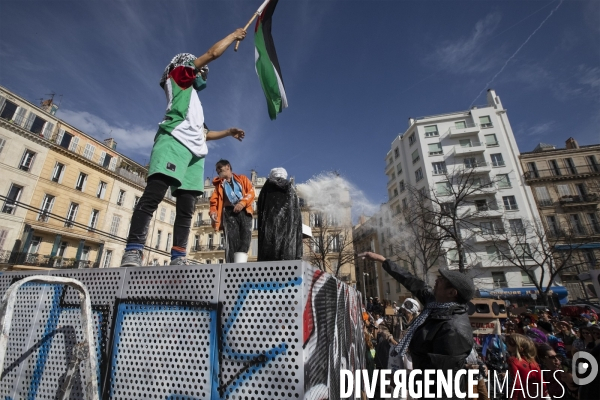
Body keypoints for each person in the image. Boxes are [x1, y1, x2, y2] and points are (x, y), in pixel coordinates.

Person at [120, 28, 247, 267]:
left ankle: (178, 257)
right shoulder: (179, 76)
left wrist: (229, 132)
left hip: (195, 153)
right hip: (173, 141)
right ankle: (133, 250)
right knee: (154, 196)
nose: (203, 75)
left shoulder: (194, 100)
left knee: (186, 208)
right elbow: (212, 53)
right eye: (201, 71)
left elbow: (204, 134)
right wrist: (232, 36)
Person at [359, 251, 475, 398]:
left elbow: (438, 379)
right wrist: (383, 260)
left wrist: (406, 381)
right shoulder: (436, 304)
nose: (436, 280)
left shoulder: (454, 329)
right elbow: (413, 282)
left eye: (441, 280)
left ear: (452, 292)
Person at [209, 160, 255, 263]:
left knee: (245, 238)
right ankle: (230, 266)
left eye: (220, 169)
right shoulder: (219, 186)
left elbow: (251, 192)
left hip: (244, 211)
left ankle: (240, 264)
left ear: (228, 167)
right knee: (231, 240)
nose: (218, 172)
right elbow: (213, 202)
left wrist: (242, 203)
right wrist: (213, 213)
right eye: (217, 171)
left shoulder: (242, 179)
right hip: (229, 213)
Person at [256, 167, 303, 261]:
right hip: (288, 254)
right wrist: (298, 253)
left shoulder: (266, 190)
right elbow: (297, 219)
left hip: (267, 252)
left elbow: (260, 210)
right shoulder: (291, 191)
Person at [505, 333, 547, 400]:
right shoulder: (533, 362)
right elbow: (542, 382)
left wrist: (513, 398)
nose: (508, 345)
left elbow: (516, 383)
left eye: (510, 343)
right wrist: (545, 395)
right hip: (536, 395)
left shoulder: (513, 360)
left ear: (518, 347)